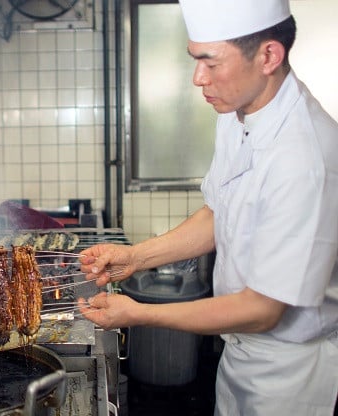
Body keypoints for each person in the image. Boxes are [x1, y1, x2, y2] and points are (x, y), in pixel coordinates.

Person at [78, 0, 338, 414]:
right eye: (194, 60)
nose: (198, 78)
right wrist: (135, 257)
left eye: (210, 63)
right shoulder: (238, 114)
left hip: (291, 374)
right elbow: (219, 212)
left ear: (269, 55)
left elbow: (262, 310)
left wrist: (140, 314)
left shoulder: (305, 157)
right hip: (239, 355)